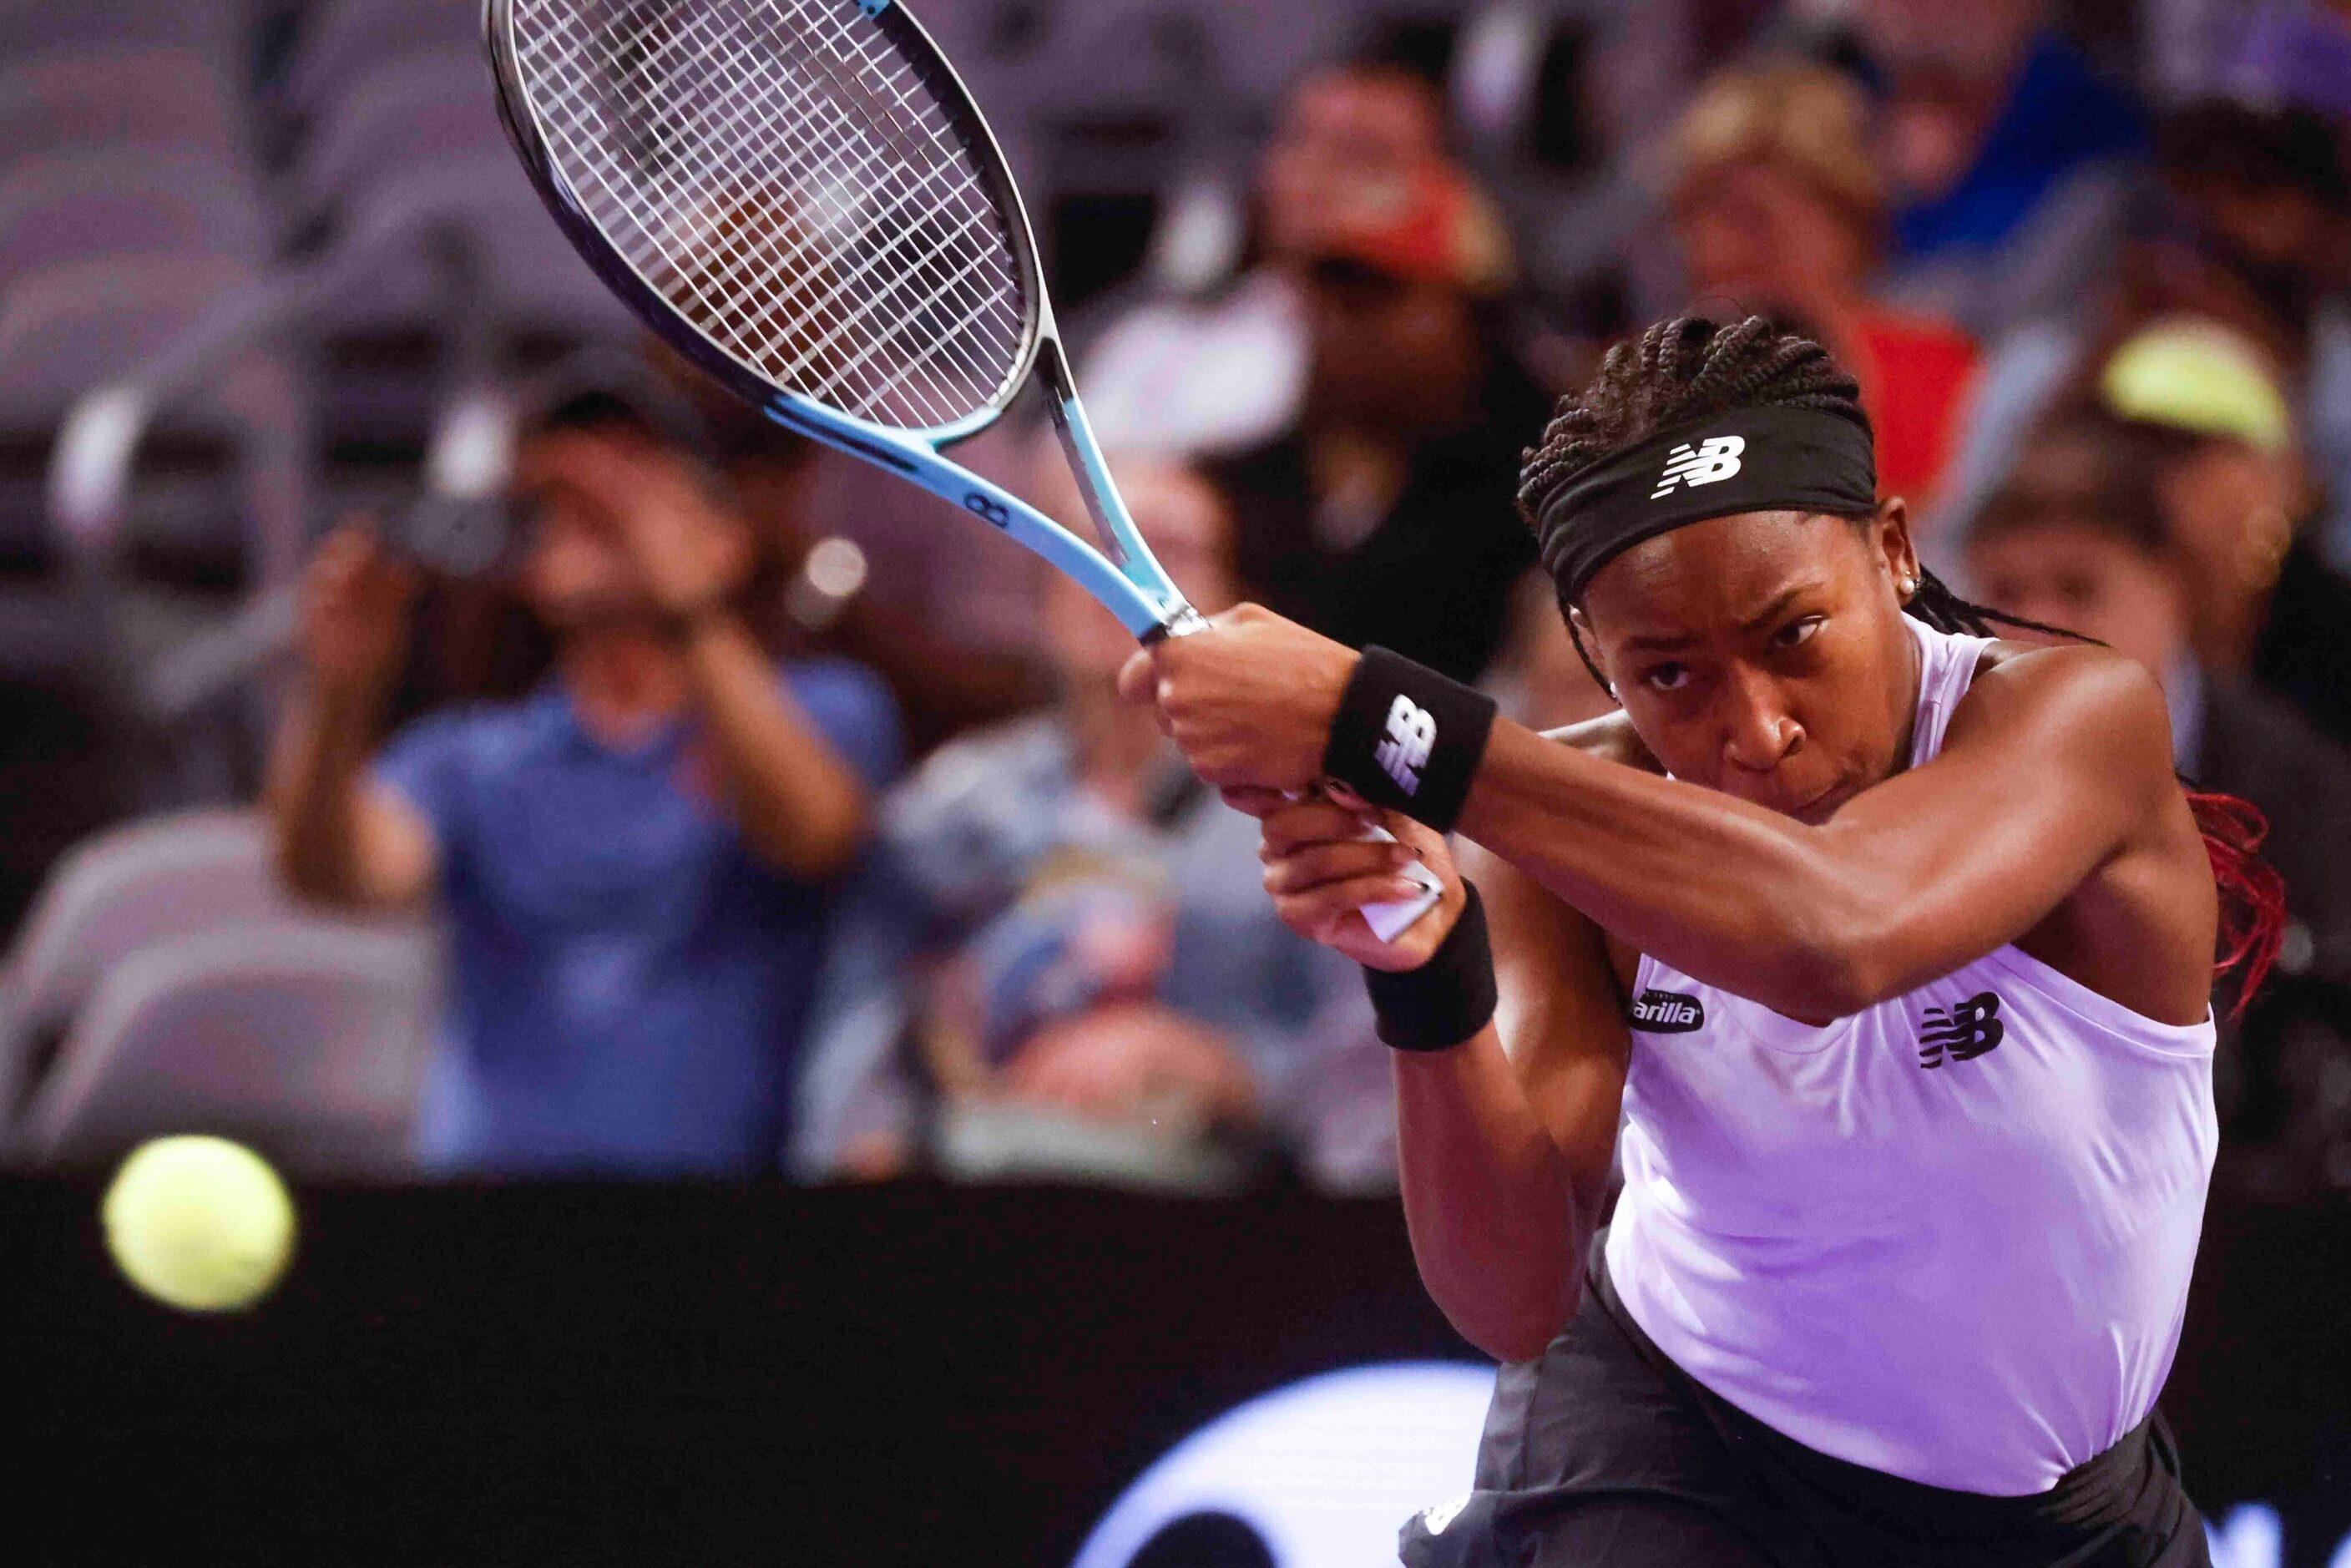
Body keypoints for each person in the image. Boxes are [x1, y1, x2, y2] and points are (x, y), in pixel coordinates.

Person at [1122, 315, 2284, 1565]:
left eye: (1795, 636)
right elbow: (1512, 1295)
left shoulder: (2077, 718)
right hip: (1675, 1448)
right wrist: (1429, 982)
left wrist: (1380, 719)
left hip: (2068, 1514)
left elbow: (1834, 934)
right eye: (1671, 675)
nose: (1759, 730)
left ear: (1892, 551)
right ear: (1594, 659)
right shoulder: (1555, 837)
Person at [269, 361, 901, 1176]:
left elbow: (811, 832)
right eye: (558, 495)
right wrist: (336, 698)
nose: (594, 502)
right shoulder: (471, 757)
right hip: (489, 1218)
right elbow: (335, 874)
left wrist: (687, 603)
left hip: (723, 1225)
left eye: (636, 475)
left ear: (724, 539)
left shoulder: (824, 710)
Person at [799, 457, 1379, 1190]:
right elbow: (860, 1029)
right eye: (1089, 552)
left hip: (1219, 1222)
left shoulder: (1320, 814)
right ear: (1044, 601)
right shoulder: (950, 808)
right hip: (966, 1208)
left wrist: (1227, 1070)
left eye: (1170, 551)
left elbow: (1370, 1088)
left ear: (1243, 606)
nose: (1122, 580)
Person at [1966, 412, 2351, 1198]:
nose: (2039, 626)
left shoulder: (2302, 783)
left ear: (2172, 590)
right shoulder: (1943, 780)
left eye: (2080, 588)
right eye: (2006, 593)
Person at [1207, 155, 1545, 682]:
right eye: (1329, 295)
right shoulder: (1247, 487)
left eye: (1379, 296)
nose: (1343, 323)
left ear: (1469, 312)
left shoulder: (1532, 496)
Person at [1079, 60, 1453, 457]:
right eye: (1300, 139)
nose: (1316, 169)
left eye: (1363, 152)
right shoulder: (1157, 338)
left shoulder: (1469, 362)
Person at [1666, 62, 1979, 514]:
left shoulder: (1939, 372)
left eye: (1751, 219)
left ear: (1848, 220)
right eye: (1693, 217)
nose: (1713, 249)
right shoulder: (1642, 379)